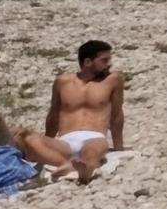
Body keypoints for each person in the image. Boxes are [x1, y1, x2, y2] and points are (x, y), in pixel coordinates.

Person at [43, 41, 125, 184]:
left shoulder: (112, 80)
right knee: (23, 135)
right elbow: (53, 116)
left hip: (94, 137)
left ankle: (85, 171)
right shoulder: (62, 82)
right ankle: (71, 165)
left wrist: (119, 147)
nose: (109, 64)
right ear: (87, 62)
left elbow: (116, 115)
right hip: (65, 139)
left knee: (92, 152)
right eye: (104, 60)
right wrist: (47, 141)